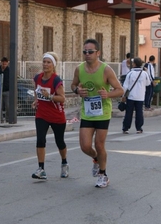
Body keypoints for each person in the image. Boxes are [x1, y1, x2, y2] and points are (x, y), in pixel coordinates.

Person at [71, 38, 124, 188]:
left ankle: (103, 174)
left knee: (99, 144)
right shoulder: (79, 69)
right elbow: (73, 84)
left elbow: (120, 90)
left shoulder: (106, 70)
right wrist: (77, 90)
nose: (87, 54)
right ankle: (95, 158)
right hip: (87, 112)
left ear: (98, 53)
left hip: (103, 112)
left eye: (90, 52)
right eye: (85, 52)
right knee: (85, 146)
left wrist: (108, 94)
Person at [31, 52, 69, 180]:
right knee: (40, 139)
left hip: (57, 115)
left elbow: (62, 98)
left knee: (60, 142)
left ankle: (64, 163)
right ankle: (41, 169)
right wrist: (36, 101)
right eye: (44, 62)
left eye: (48, 62)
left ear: (53, 65)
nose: (45, 64)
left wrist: (50, 97)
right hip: (42, 114)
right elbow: (37, 91)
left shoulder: (56, 80)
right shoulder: (37, 78)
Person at [122, 57, 151, 134]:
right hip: (140, 96)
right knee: (139, 112)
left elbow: (125, 86)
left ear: (134, 64)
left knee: (129, 112)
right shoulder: (144, 73)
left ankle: (126, 128)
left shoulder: (130, 73)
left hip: (131, 96)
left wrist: (123, 96)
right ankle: (139, 128)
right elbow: (148, 83)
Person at [0, 57, 10, 122]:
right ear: (1, 63)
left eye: (5, 64)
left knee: (8, 105)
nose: (4, 66)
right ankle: (0, 119)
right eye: (3, 64)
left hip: (7, 90)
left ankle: (8, 118)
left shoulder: (9, 71)